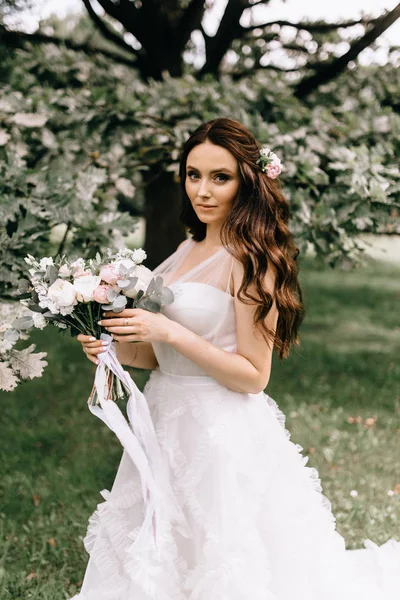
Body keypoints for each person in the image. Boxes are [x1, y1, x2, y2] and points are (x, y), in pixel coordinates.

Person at [74, 118, 399, 600]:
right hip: (167, 420)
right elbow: (159, 357)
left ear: (247, 181)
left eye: (219, 177)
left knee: (225, 555)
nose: (203, 190)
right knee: (168, 548)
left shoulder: (253, 259)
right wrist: (110, 348)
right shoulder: (188, 247)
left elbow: (253, 377)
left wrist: (170, 331)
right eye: (193, 174)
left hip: (218, 430)